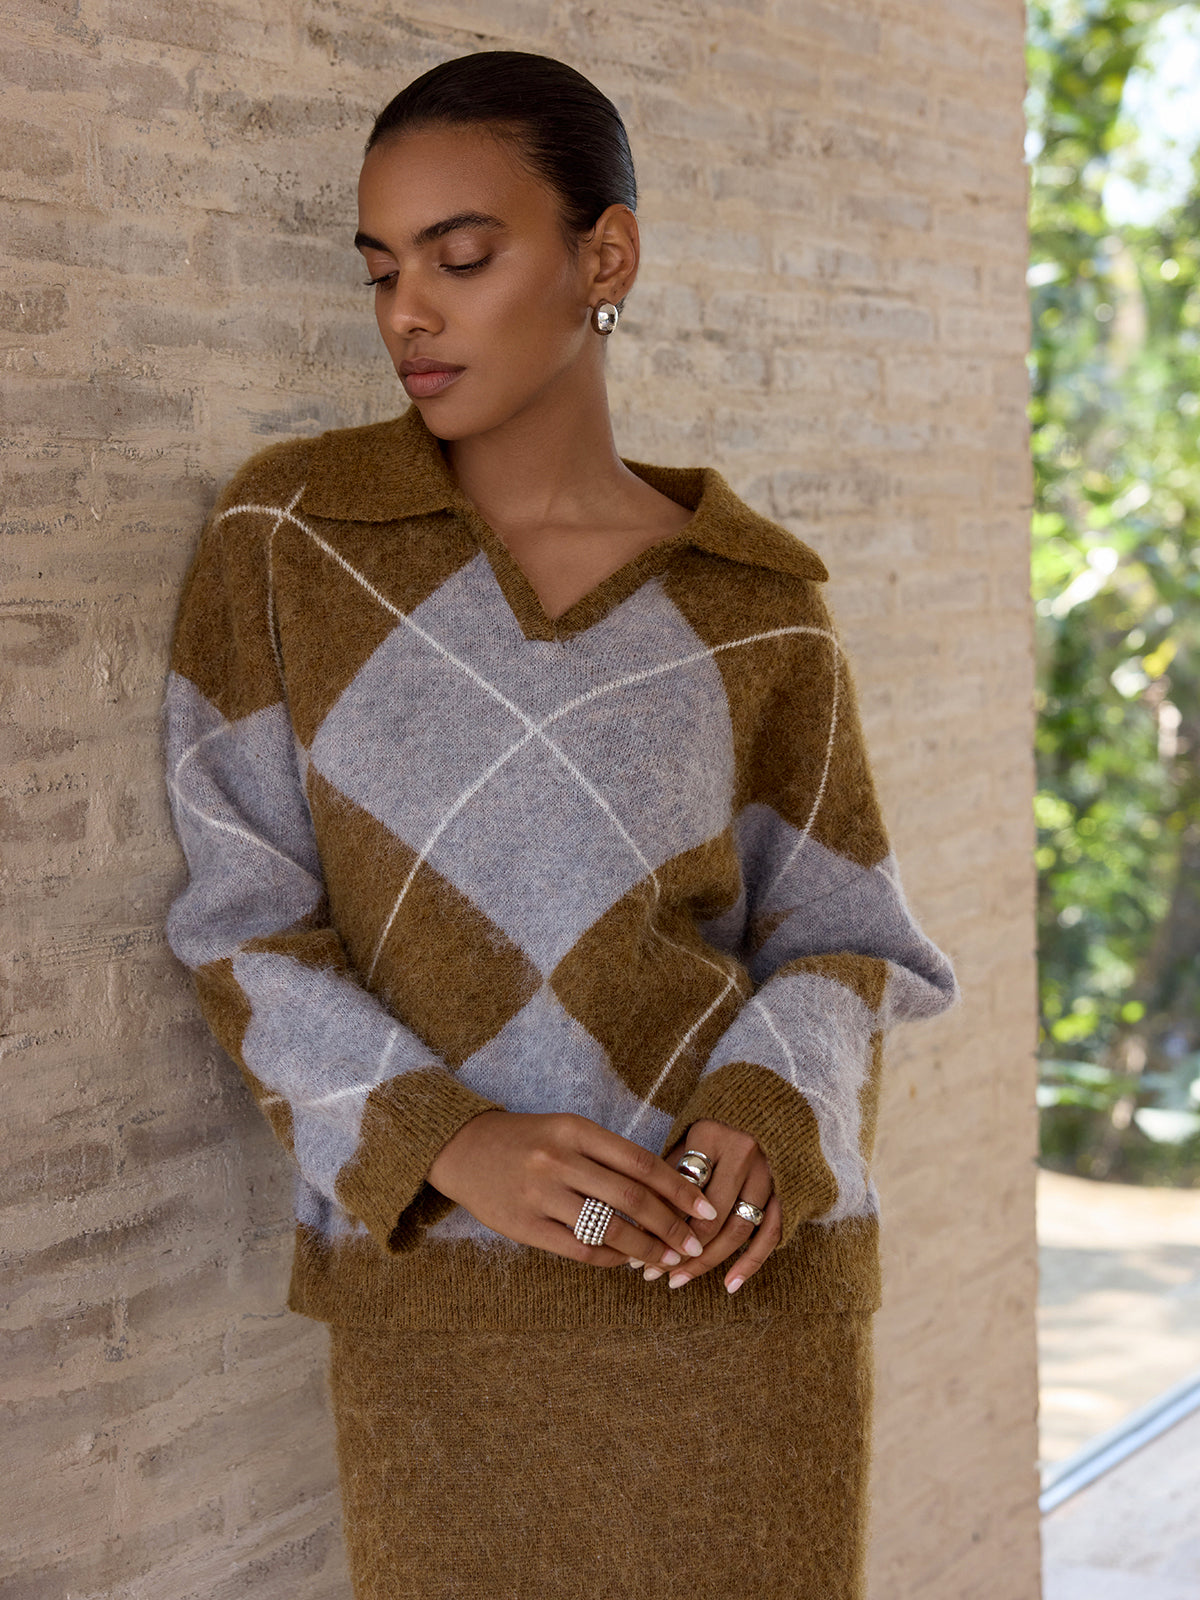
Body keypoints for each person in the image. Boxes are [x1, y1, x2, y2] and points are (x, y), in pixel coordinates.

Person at [164, 49, 959, 1600]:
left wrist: (772, 1105)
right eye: (383, 269)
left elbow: (848, 939)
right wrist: (446, 1140)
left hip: (738, 1298)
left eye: (461, 257)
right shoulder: (293, 541)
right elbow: (238, 928)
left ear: (607, 258)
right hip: (440, 1310)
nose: (409, 311)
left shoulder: (755, 604)